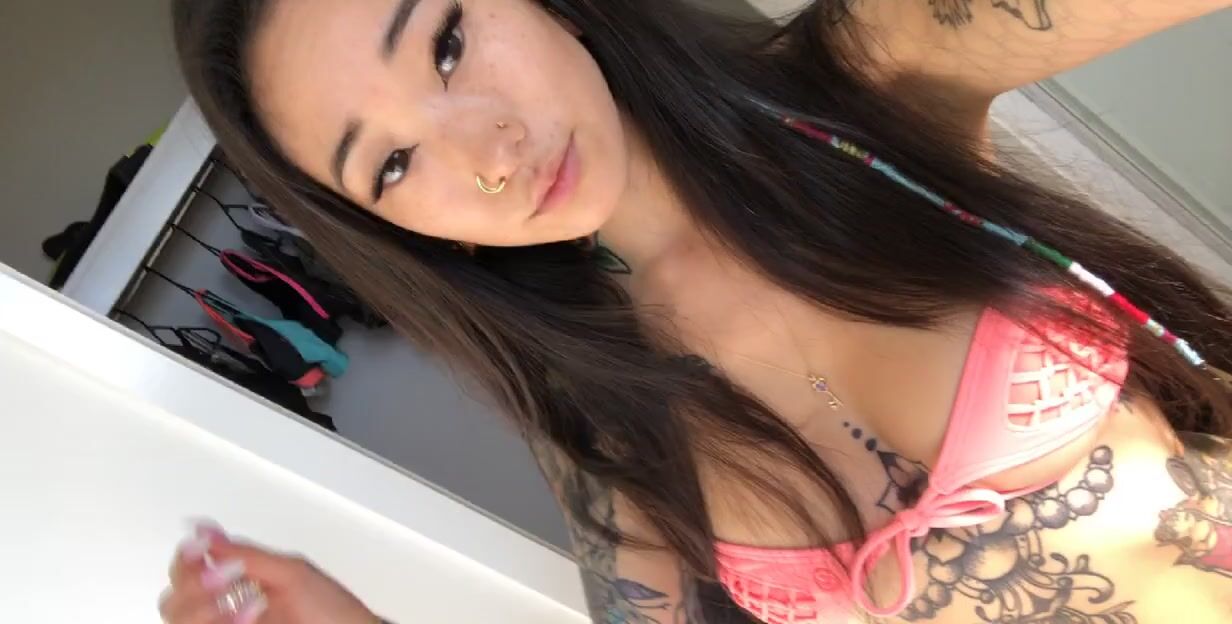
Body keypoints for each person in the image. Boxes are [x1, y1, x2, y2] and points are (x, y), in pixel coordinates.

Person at [159, 1, 1232, 622]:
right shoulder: (604, 438)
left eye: (446, 43)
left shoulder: (866, 83)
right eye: (393, 163)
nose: (487, 154)